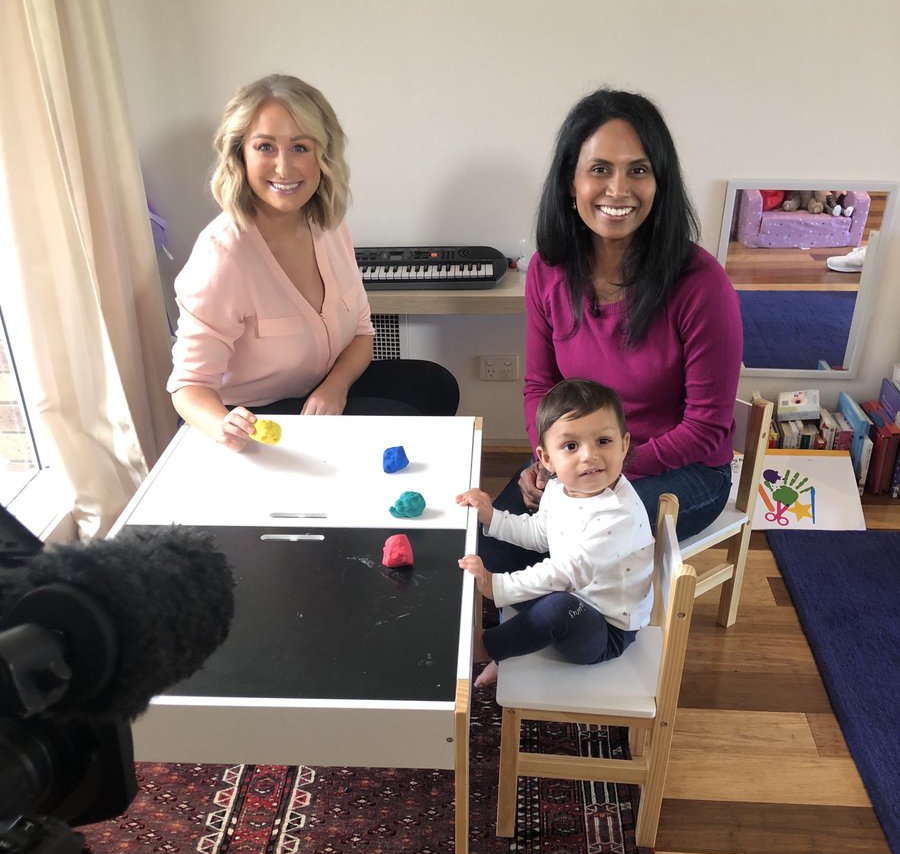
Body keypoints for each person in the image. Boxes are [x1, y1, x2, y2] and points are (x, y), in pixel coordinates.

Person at [484, 88, 741, 568]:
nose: (618, 190)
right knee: (493, 550)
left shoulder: (701, 284)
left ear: (659, 182)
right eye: (600, 169)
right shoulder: (546, 269)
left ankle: (603, 637)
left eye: (638, 170)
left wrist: (594, 468)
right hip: (580, 460)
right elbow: (541, 386)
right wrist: (548, 460)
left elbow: (705, 429)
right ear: (570, 182)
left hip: (683, 471)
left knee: (572, 551)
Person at [167, 74, 458, 451]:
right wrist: (225, 425)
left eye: (300, 147)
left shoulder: (329, 226)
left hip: (319, 387)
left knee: (436, 386)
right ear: (240, 153)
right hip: (255, 414)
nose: (284, 168)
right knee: (405, 425)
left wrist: (334, 388)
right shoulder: (222, 256)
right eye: (266, 147)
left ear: (323, 155)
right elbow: (188, 389)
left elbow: (362, 333)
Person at [458, 379, 653, 688]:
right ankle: (514, 646)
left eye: (603, 441)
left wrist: (497, 585)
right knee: (511, 559)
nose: (588, 455)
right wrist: (493, 517)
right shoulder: (560, 487)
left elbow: (566, 573)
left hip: (605, 630)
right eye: (571, 446)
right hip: (575, 594)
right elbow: (538, 535)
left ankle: (487, 649)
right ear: (546, 458)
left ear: (625, 444)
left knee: (557, 606)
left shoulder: (618, 515)